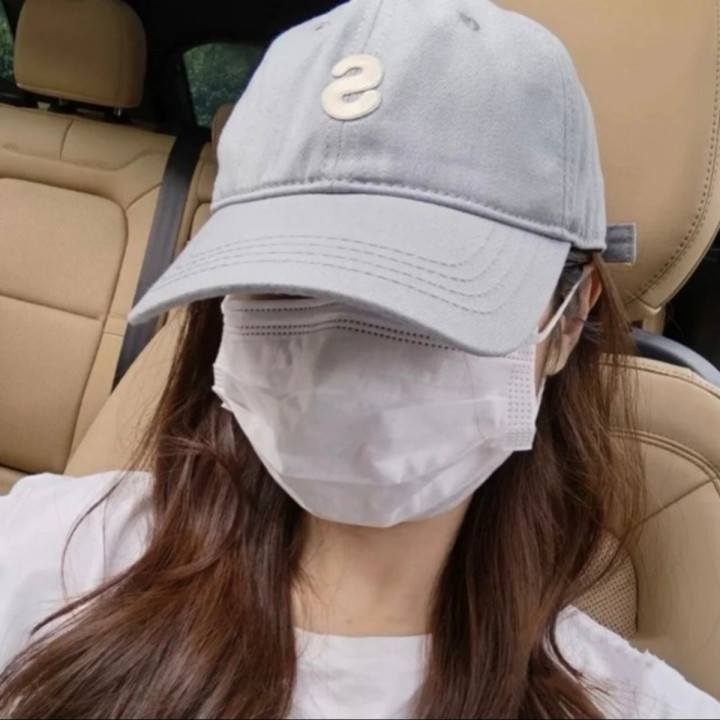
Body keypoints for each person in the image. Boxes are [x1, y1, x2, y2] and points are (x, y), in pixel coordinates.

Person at [1, 0, 718, 717]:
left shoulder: (634, 705)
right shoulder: (51, 554)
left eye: (427, 289)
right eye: (285, 283)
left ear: (569, 321)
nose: (337, 355)